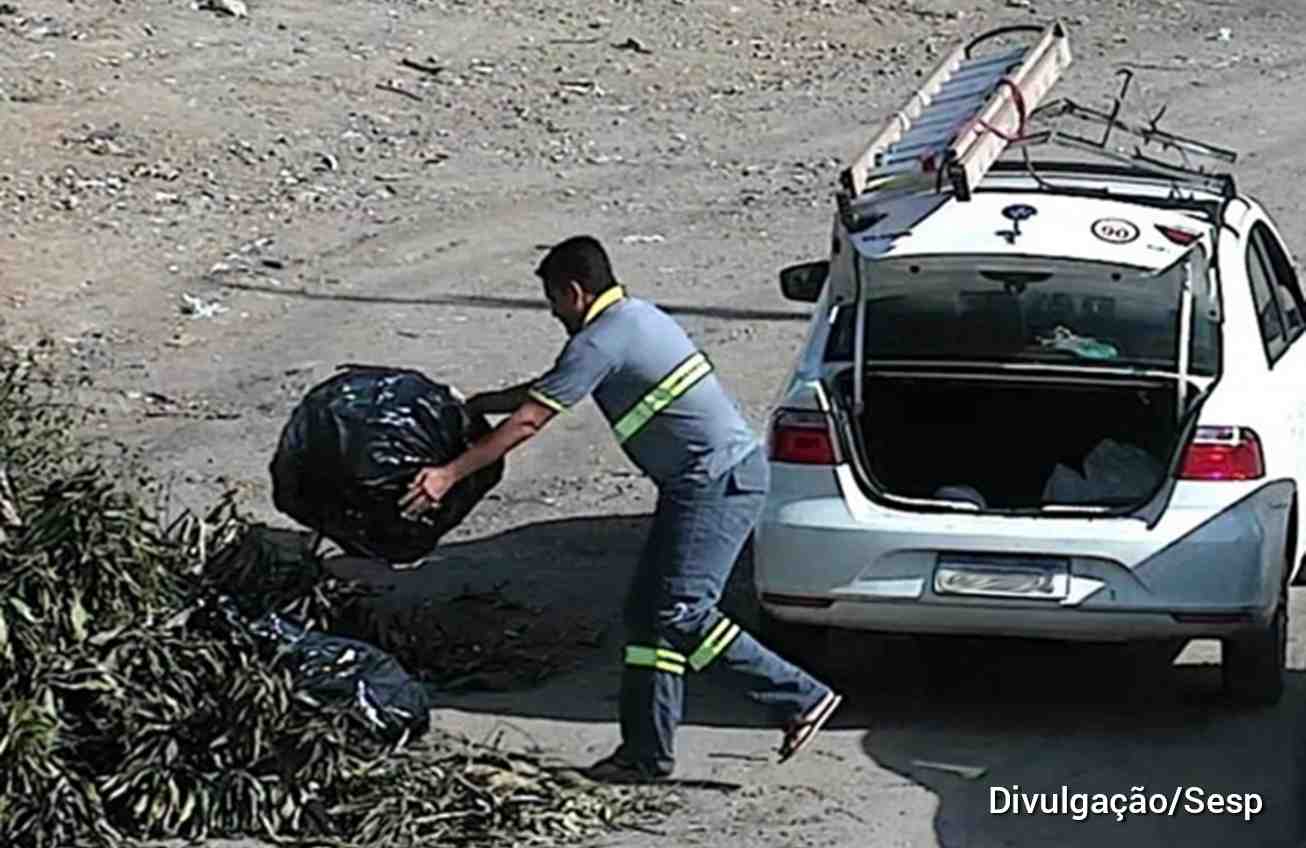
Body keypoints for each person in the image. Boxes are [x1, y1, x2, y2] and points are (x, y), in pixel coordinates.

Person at [399, 235, 841, 782]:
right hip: (701, 485)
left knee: (682, 614)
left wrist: (447, 475)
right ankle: (644, 754)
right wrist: (477, 404)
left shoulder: (600, 340)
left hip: (716, 484)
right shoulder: (632, 319)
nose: (555, 314)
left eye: (554, 301)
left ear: (575, 291)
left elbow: (532, 420)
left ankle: (798, 696)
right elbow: (544, 390)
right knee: (647, 618)